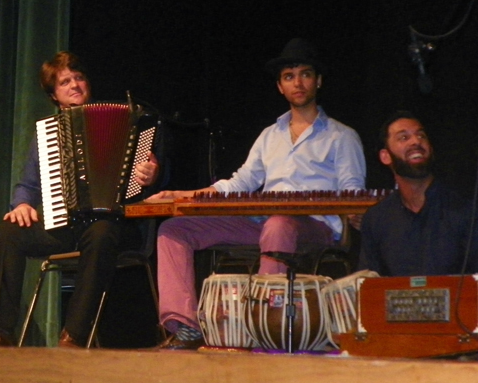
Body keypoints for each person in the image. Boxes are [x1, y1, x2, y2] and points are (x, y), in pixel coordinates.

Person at [148, 38, 366, 350]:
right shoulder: (269, 135)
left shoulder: (342, 136)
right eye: (289, 77)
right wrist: (180, 195)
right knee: (174, 229)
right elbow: (239, 183)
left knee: (279, 224)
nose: (298, 83)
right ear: (280, 87)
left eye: (305, 74)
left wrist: (355, 211)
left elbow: (353, 192)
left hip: (315, 228)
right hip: (263, 224)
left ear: (318, 81)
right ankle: (185, 327)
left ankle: (265, 331)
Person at [0, 51, 162, 348]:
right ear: (54, 96)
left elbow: (154, 181)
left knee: (100, 234)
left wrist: (152, 173)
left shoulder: (131, 124)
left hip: (113, 226)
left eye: (79, 77)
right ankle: (0, 331)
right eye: (65, 82)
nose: (75, 84)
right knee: (10, 232)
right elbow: (27, 184)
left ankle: (73, 335)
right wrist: (21, 204)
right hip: (64, 226)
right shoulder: (49, 135)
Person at [357, 110, 478, 276]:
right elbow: (367, 285)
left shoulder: (466, 209)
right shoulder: (377, 219)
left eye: (421, 136)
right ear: (385, 156)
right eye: (404, 138)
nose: (416, 141)